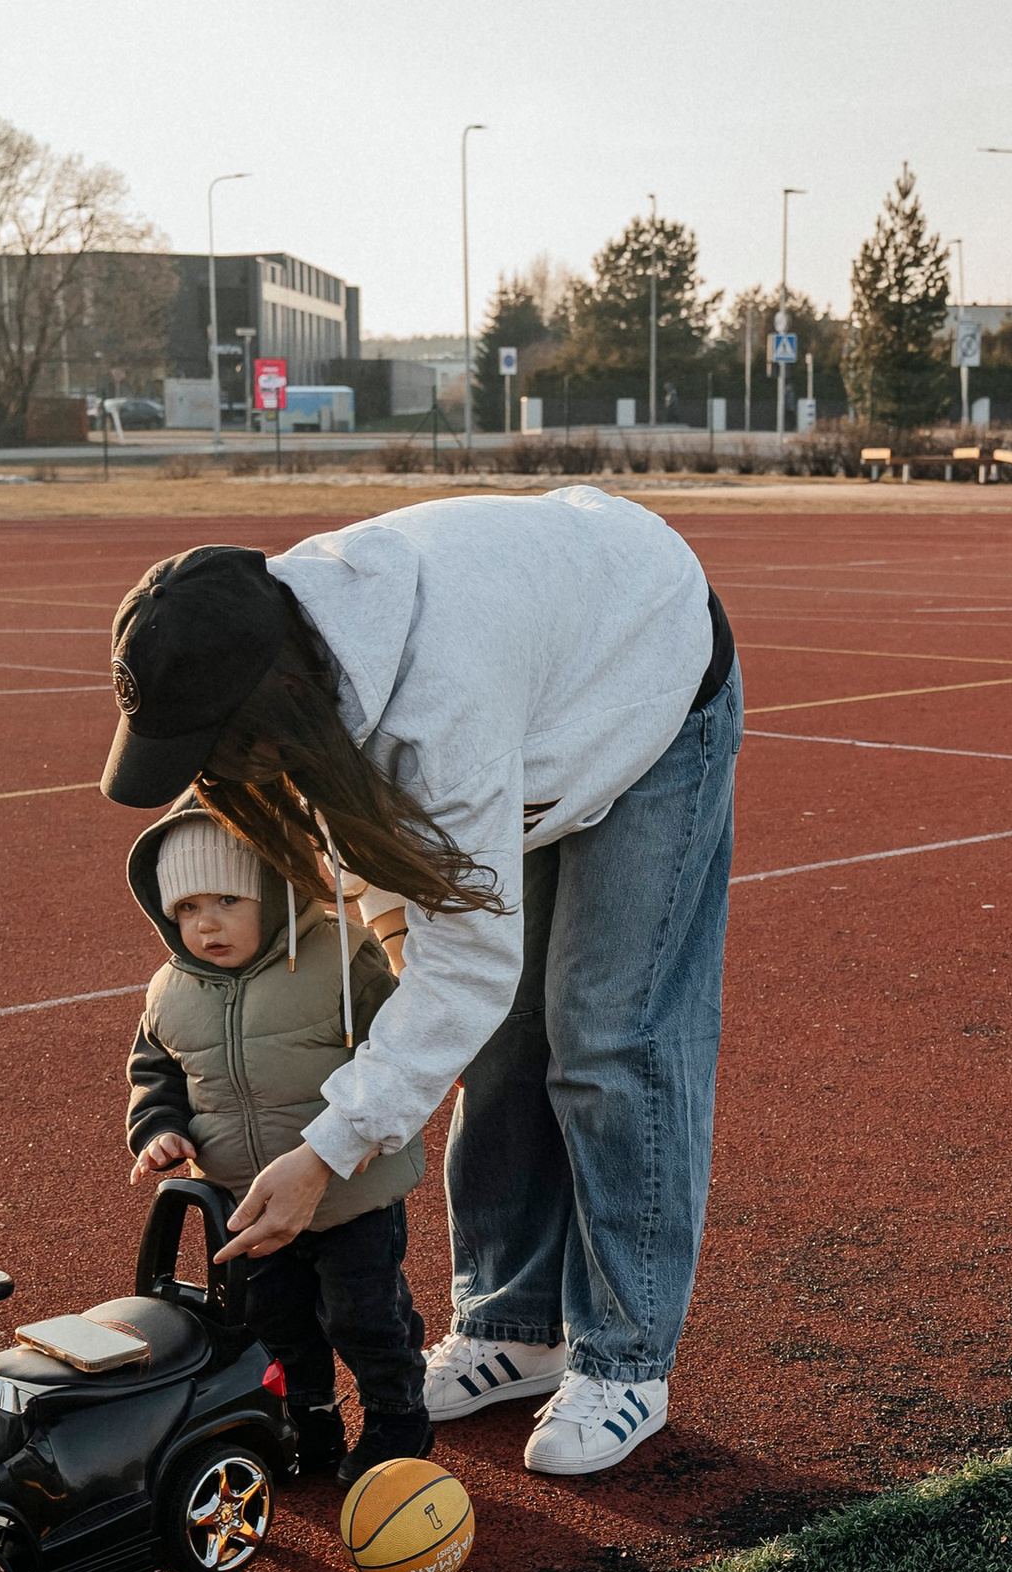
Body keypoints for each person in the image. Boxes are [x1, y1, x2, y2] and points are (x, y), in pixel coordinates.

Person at [99, 483, 740, 1480]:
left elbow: (464, 965)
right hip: (537, 682)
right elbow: (406, 921)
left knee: (608, 1036)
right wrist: (393, 1048)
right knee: (498, 1041)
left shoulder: (435, 714)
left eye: (217, 747)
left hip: (646, 666)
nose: (219, 773)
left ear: (274, 706)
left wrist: (327, 1149)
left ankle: (626, 1360)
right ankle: (518, 1326)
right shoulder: (300, 649)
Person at [123, 802, 429, 1481]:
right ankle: (307, 1419)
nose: (206, 923)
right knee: (273, 1323)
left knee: (363, 1316)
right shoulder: (171, 992)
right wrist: (162, 1131)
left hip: (353, 1191)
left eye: (227, 900)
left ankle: (396, 1413)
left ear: (276, 888)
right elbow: (157, 1073)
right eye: (186, 908)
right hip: (247, 1205)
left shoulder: (343, 958)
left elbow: (400, 1052)